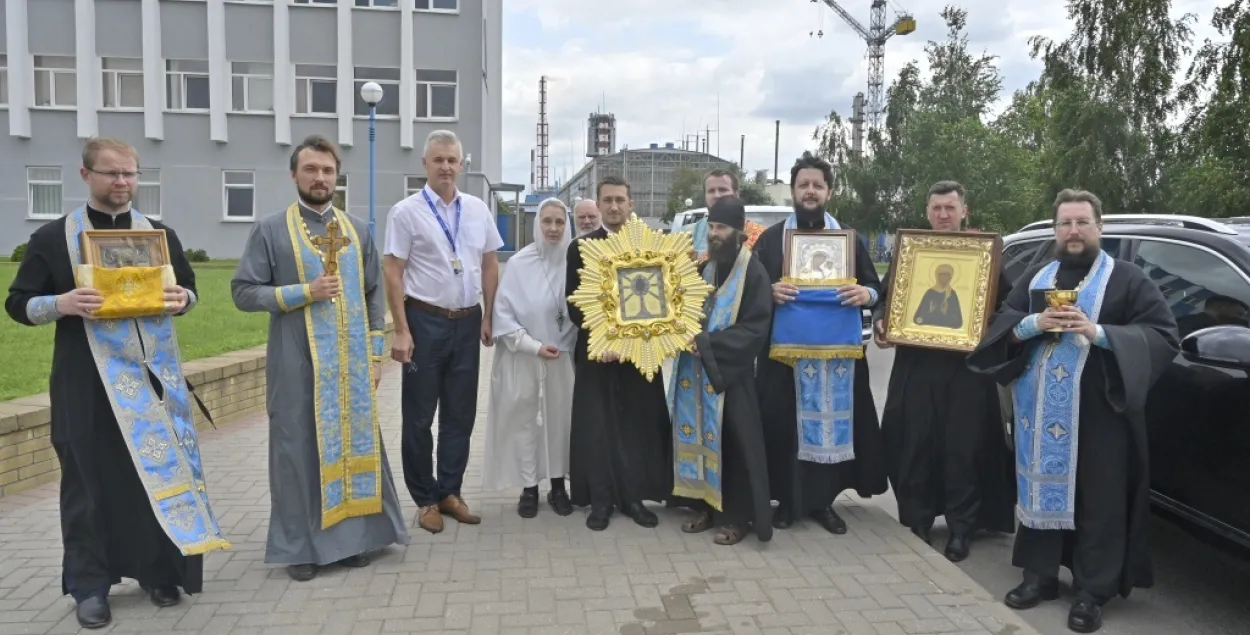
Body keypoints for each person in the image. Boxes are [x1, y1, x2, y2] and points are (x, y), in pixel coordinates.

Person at [5, 137, 228, 629]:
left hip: (152, 382)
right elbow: (18, 302)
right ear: (86, 176)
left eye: (130, 173)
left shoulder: (158, 234)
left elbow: (189, 290)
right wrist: (59, 304)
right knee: (88, 484)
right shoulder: (52, 238)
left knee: (154, 478)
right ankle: (90, 586)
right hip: (86, 384)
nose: (122, 183)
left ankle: (158, 572)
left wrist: (181, 299)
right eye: (111, 174)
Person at [967, 189, 1179, 633]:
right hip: (1039, 413)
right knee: (1041, 490)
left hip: (1102, 415)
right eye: (1065, 223)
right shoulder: (1037, 278)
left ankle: (1091, 592)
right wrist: (1032, 324)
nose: (1074, 231)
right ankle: (1039, 577)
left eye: (1083, 222)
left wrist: (1099, 332)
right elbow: (1001, 325)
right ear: (1056, 229)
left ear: (1099, 228)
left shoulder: (1128, 279)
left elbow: (1161, 336)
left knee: (1098, 500)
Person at [231, 134, 409, 582]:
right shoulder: (270, 229)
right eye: (311, 169)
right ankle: (301, 548)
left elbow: (373, 297)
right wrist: (303, 293)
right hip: (294, 360)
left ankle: (354, 540)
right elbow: (243, 293)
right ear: (294, 174)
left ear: (337, 177)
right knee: (296, 450)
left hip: (349, 365)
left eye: (328, 171)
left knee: (351, 446)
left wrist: (373, 358)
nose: (320, 178)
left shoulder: (359, 230)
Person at [872, 181, 1015, 563]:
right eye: (936, 208)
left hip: (967, 372)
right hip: (916, 367)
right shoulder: (912, 252)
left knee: (963, 448)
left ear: (964, 211)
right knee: (915, 443)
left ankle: (961, 528)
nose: (942, 215)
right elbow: (889, 300)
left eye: (950, 208)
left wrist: (987, 325)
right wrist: (884, 321)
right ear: (927, 211)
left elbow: (1008, 307)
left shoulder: (984, 256)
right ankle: (917, 520)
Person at [752, 152, 889, 534]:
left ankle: (823, 502)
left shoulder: (848, 237)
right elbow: (749, 291)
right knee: (784, 428)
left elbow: (874, 286)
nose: (810, 191)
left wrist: (866, 294)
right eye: (803, 185)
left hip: (837, 356)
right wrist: (769, 291)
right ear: (793, 191)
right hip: (784, 356)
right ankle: (787, 501)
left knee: (832, 425)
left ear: (829, 191)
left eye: (817, 185)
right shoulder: (771, 239)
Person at [384, 130, 504, 533]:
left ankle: (451, 491)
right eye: (439, 160)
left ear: (462, 164)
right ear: (425, 164)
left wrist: (489, 315)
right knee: (419, 417)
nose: (447, 167)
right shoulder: (406, 213)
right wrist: (401, 330)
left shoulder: (477, 209)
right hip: (425, 322)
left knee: (460, 414)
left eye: (453, 160)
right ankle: (425, 499)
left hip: (467, 322)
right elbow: (393, 272)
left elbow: (489, 264)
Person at [566, 176, 673, 530]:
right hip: (597, 353)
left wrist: (632, 342)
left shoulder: (650, 248)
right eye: (607, 200)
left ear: (631, 204)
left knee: (635, 427)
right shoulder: (579, 249)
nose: (614, 206)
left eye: (620, 200)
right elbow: (576, 307)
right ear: (597, 205)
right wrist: (609, 341)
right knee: (597, 429)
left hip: (640, 353)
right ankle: (601, 501)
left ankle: (633, 498)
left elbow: (663, 300)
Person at [670, 197, 774, 545]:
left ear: (739, 233)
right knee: (699, 436)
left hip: (732, 377)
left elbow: (756, 329)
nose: (715, 235)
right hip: (697, 375)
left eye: (722, 228)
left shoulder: (754, 273)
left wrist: (709, 345)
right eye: (712, 227)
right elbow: (685, 310)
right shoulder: (704, 269)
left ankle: (736, 517)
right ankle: (705, 506)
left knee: (734, 445)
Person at [481, 198, 577, 518]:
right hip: (526, 361)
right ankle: (529, 488)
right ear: (537, 224)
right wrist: (533, 346)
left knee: (560, 424)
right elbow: (503, 316)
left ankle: (558, 486)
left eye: (559, 222)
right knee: (528, 426)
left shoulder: (576, 261)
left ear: (567, 225)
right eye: (547, 221)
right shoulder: (521, 263)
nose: (553, 228)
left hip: (564, 361)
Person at [685, 169, 767, 261]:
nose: (717, 195)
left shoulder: (761, 235)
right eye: (711, 191)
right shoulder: (688, 235)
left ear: (736, 194)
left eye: (723, 190)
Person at [913, 264, 964, 329]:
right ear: (937, 276)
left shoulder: (952, 294)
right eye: (941, 274)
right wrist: (930, 312)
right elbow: (918, 319)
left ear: (950, 277)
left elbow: (958, 323)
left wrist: (945, 313)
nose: (944, 277)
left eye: (946, 274)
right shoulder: (930, 293)